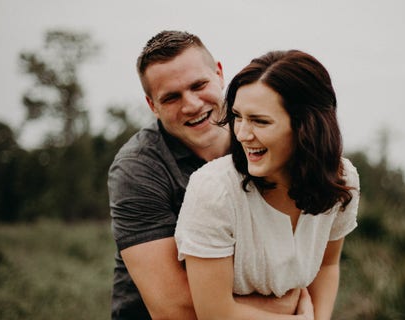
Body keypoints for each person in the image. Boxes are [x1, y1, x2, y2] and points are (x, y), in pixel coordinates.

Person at [108, 31, 305, 320]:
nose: (192, 104)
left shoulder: (263, 138)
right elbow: (172, 309)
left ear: (220, 74)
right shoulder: (138, 169)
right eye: (171, 97)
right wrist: (286, 309)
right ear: (153, 106)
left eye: (198, 85)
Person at [175, 49, 361, 320]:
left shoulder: (341, 180)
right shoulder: (213, 189)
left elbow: (327, 265)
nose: (241, 133)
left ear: (307, 127)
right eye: (238, 116)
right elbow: (214, 314)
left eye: (260, 121)